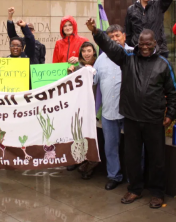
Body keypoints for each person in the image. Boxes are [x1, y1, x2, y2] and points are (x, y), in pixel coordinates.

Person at [86, 18, 176, 209]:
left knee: (157, 159)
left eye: (148, 44)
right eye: (142, 44)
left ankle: (158, 193)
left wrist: (171, 114)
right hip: (132, 119)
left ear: (155, 44)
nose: (144, 47)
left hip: (154, 120)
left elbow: (172, 92)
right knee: (132, 157)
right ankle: (135, 189)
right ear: (137, 44)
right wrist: (96, 32)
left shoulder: (163, 64)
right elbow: (110, 46)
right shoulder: (127, 58)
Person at [93, 24, 133, 190]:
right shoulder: (101, 59)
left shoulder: (134, 53)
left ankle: (134, 178)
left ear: (124, 36)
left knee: (134, 147)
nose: (115, 39)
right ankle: (114, 176)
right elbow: (92, 80)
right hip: (109, 111)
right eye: (111, 37)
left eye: (117, 35)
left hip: (131, 111)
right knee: (110, 147)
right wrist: (78, 70)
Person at [66, 41, 98, 176]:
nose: (86, 54)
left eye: (89, 51)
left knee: (90, 136)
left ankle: (89, 165)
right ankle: (77, 160)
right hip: (79, 107)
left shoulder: (98, 65)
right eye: (84, 51)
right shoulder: (77, 67)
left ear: (94, 52)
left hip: (94, 107)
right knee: (78, 133)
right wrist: (70, 74)